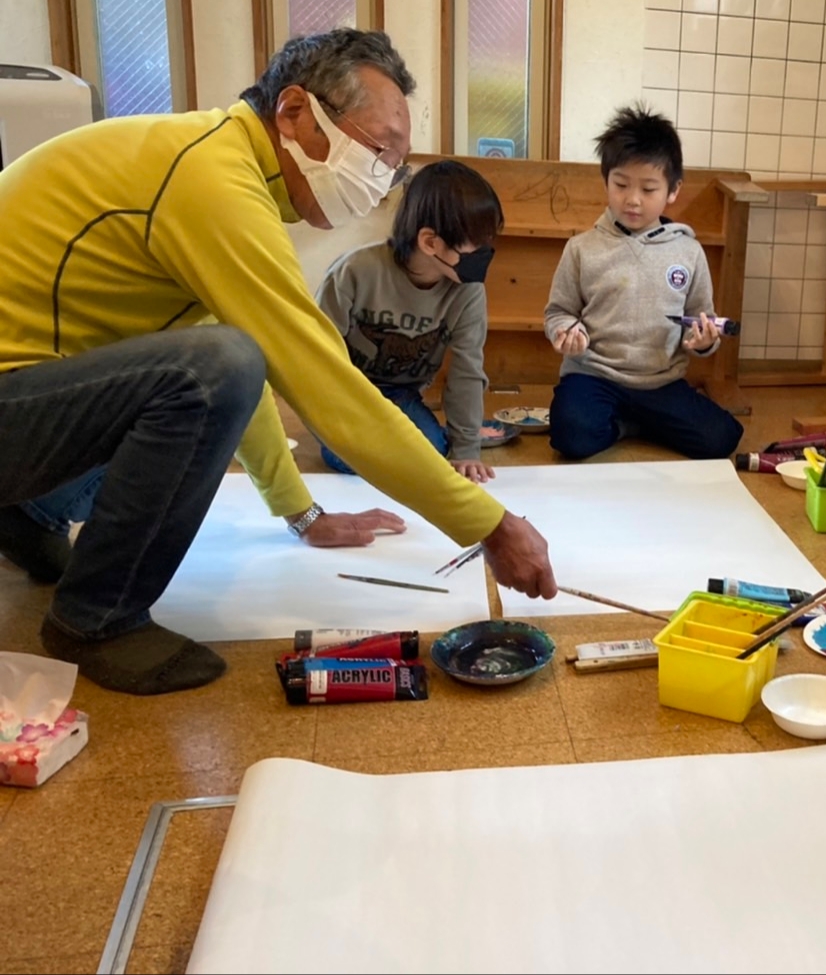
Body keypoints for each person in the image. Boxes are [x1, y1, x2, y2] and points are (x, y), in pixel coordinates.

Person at [0, 29, 556, 697]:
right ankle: (96, 618)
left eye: (394, 163)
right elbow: (309, 382)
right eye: (377, 149)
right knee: (217, 367)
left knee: (221, 362)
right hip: (14, 400)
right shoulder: (212, 180)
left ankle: (28, 513)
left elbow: (237, 364)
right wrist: (488, 524)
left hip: (33, 394)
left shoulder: (215, 165)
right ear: (294, 111)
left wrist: (301, 512)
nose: (381, 176)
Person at [544, 105, 744, 461]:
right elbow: (558, 312)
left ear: (673, 190)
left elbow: (702, 319)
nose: (632, 199)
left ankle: (637, 422)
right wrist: (566, 331)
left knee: (721, 438)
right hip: (595, 376)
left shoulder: (688, 252)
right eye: (621, 185)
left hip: (660, 381)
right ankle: (629, 425)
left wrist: (703, 342)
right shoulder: (581, 248)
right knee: (570, 435)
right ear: (606, 181)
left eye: (649, 188)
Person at [317, 159, 501, 484]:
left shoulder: (467, 291)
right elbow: (316, 357)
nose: (485, 252)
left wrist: (466, 449)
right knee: (347, 457)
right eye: (476, 243)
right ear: (430, 242)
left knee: (432, 451)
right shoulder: (354, 272)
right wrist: (332, 419)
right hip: (347, 394)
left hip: (401, 395)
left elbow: (468, 372)